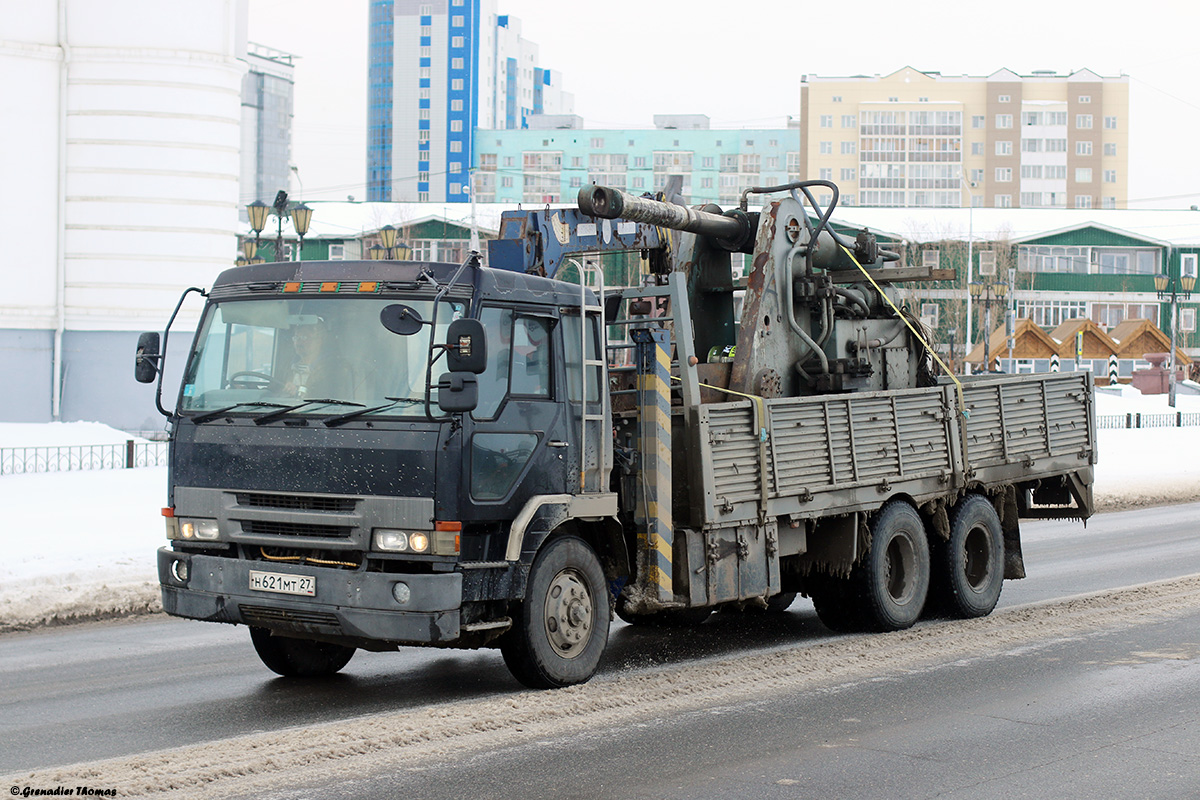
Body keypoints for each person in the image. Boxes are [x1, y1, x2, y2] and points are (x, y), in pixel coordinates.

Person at [282, 318, 351, 399]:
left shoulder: (333, 369)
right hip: (285, 411)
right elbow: (273, 390)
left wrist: (299, 391)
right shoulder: (287, 367)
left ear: (319, 340)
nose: (298, 342)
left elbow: (334, 397)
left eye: (304, 337)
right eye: (296, 338)